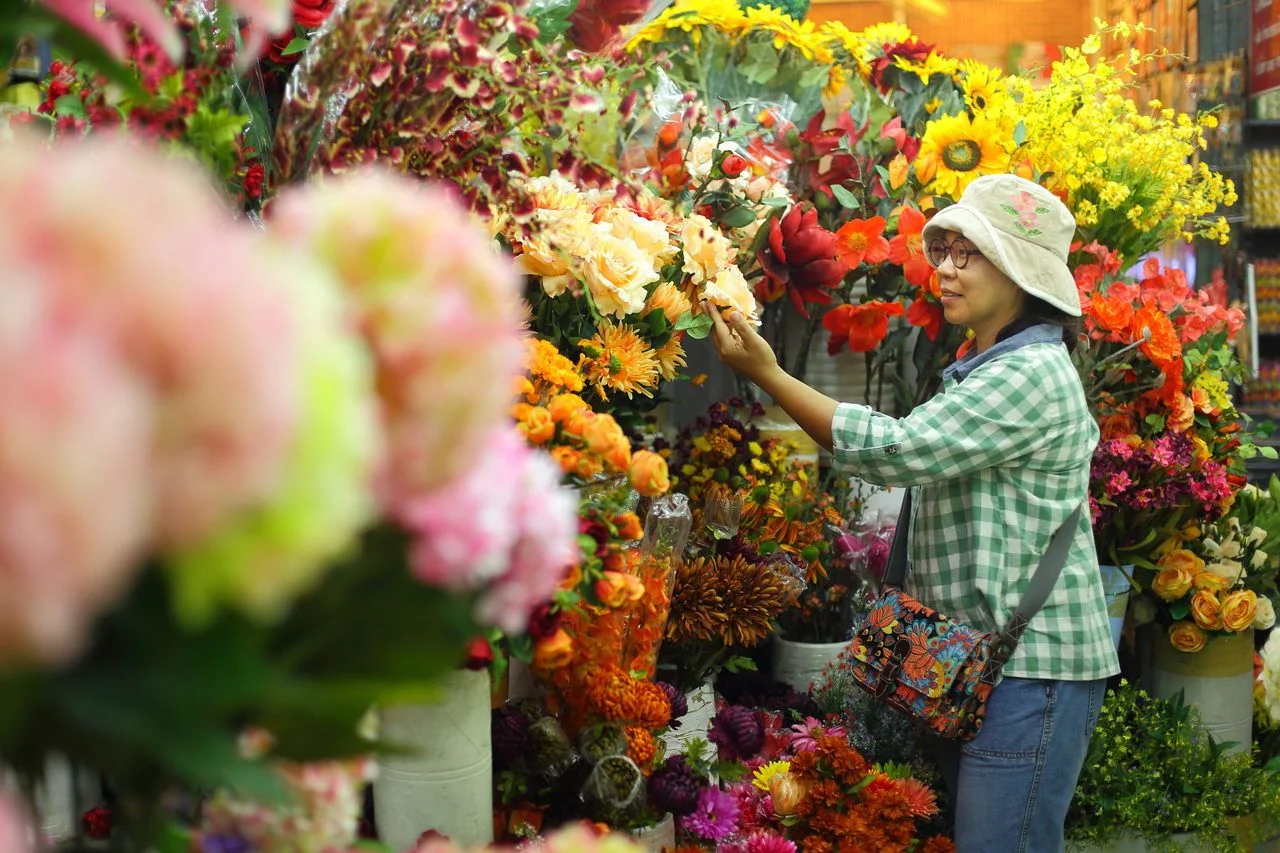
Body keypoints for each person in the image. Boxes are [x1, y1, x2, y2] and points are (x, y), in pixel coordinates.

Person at [704, 173, 1120, 853]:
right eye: (946, 252)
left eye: (968, 255)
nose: (946, 271)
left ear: (1019, 272)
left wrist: (769, 375)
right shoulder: (984, 363)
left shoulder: (1029, 374)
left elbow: (895, 450)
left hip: (1031, 671)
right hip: (985, 666)